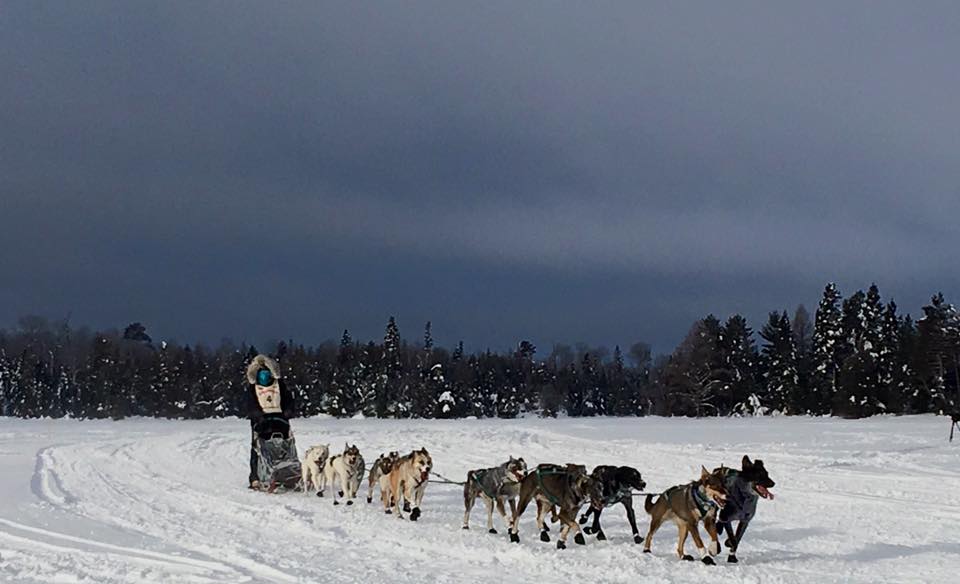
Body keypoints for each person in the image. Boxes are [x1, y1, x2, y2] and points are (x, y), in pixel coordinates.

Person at [245, 354, 296, 489]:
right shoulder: (253, 387)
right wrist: (256, 414)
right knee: (258, 448)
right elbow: (250, 403)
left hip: (279, 419)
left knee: (284, 446)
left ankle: (286, 474)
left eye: (267, 373)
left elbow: (287, 399)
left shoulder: (279, 385)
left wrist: (288, 410)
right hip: (260, 421)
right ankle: (255, 477)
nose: (265, 377)